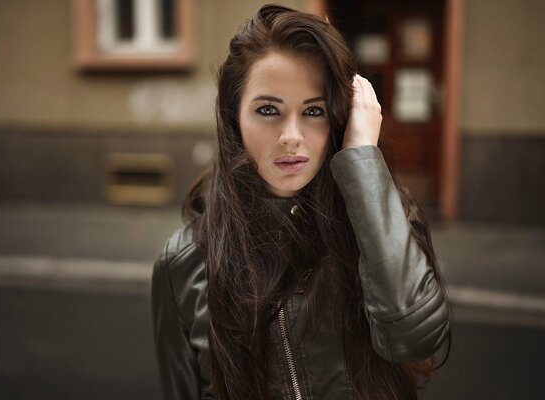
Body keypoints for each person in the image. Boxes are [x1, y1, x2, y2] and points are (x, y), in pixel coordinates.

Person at [151, 4, 450, 399]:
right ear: (233, 119)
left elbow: (415, 339)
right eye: (268, 110)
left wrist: (362, 157)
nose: (291, 135)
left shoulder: (383, 218)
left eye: (314, 111)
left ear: (340, 118)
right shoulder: (184, 261)